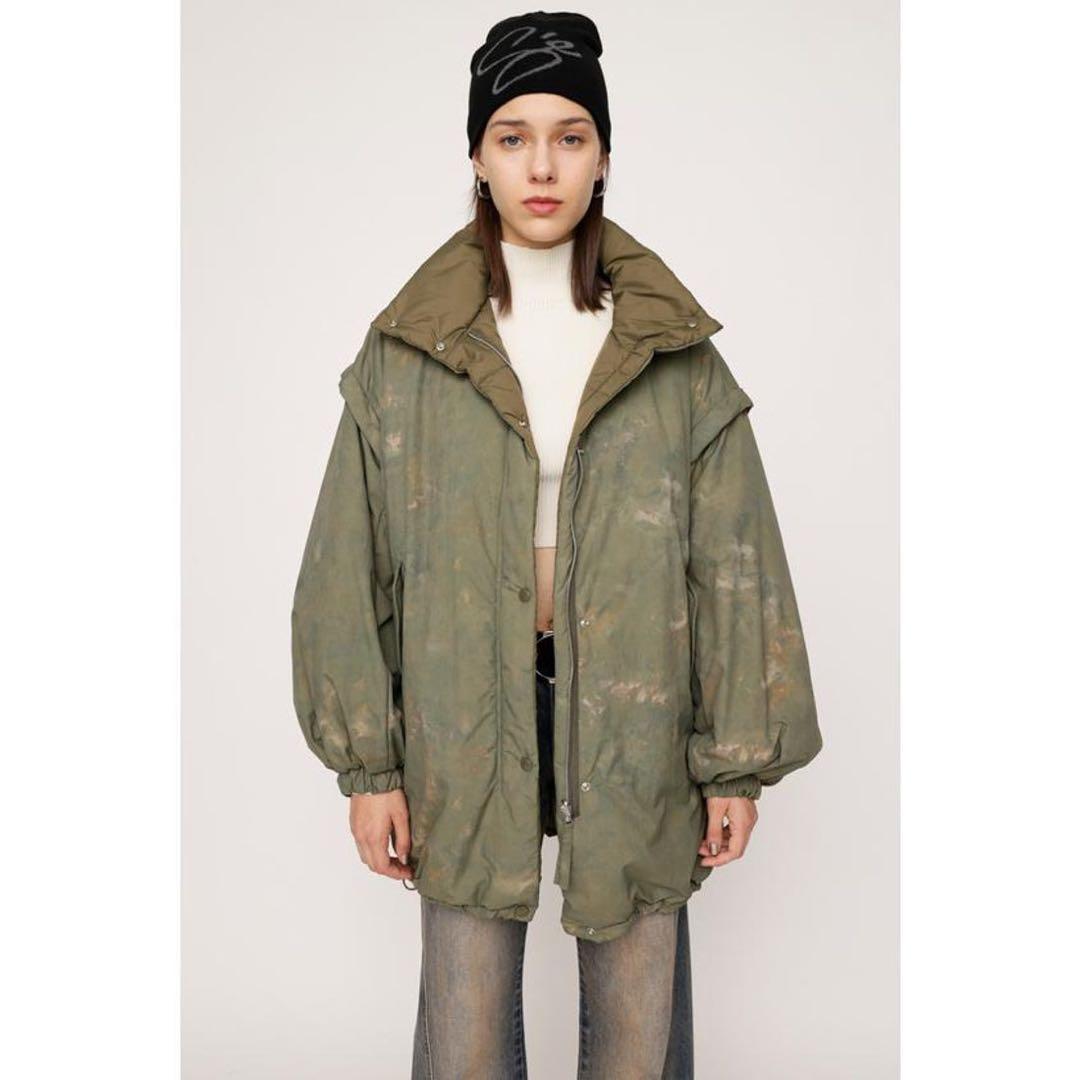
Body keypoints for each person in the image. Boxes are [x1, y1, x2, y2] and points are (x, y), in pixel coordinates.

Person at [291, 12, 824, 1078]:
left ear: (604, 157)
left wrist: (738, 763)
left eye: (571, 136)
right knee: (466, 1027)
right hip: (459, 715)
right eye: (514, 136)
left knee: (636, 1028)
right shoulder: (409, 351)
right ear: (477, 158)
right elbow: (346, 565)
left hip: (636, 714)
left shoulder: (670, 350)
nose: (542, 166)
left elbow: (737, 565)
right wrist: (368, 767)